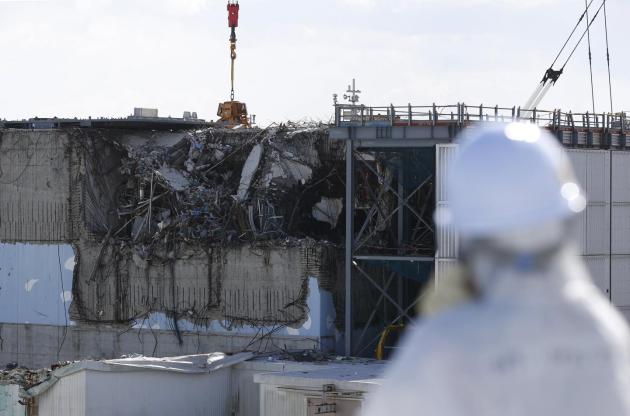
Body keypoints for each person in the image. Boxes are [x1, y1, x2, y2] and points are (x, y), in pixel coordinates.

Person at [362, 122, 630, 416]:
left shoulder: (441, 349)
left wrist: (440, 326)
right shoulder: (602, 332)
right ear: (565, 222)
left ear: (466, 234)